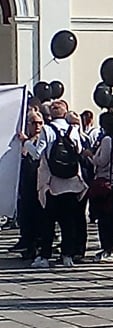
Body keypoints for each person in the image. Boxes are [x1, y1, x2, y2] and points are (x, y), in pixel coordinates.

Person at [32, 100, 88, 269]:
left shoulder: (47, 130)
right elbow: (78, 151)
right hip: (71, 182)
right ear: (65, 113)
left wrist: (26, 142)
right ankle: (67, 255)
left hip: (52, 182)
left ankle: (44, 256)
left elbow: (37, 153)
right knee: (68, 220)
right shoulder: (74, 130)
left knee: (48, 221)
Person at [89, 111, 113, 263]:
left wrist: (90, 156)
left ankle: (109, 248)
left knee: (106, 219)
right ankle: (112, 247)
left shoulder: (107, 140)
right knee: (112, 218)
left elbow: (102, 161)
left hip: (107, 181)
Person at [15, 109, 46, 261]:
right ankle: (28, 244)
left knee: (39, 217)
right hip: (26, 185)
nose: (38, 126)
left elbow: (37, 155)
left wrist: (26, 141)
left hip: (39, 183)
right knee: (26, 216)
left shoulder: (40, 140)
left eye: (40, 123)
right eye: (34, 123)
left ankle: (38, 245)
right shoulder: (20, 142)